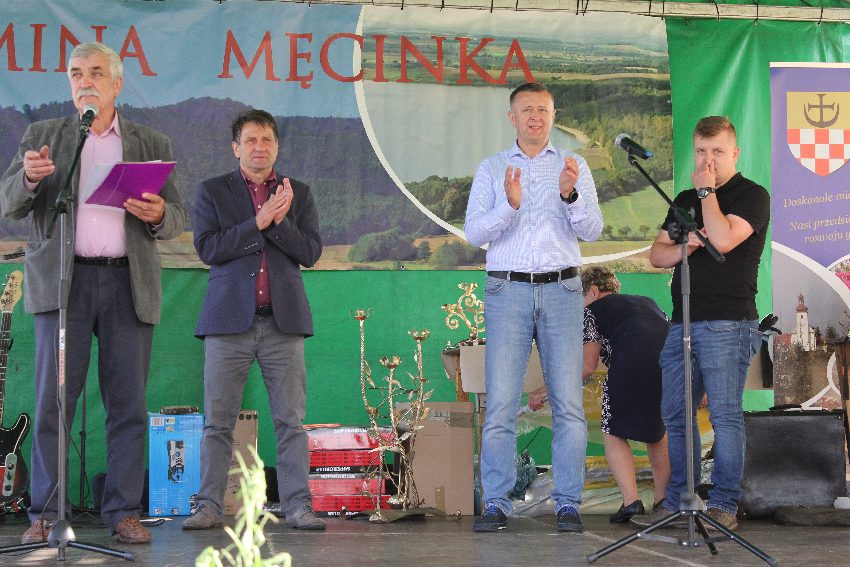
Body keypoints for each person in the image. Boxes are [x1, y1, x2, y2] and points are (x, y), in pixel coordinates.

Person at [0, 42, 186, 544]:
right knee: (53, 401)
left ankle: (122, 511)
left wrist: (159, 215)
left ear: (117, 83)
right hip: (64, 284)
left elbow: (177, 217)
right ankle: (45, 512)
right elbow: (8, 203)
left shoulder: (150, 141)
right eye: (77, 72)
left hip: (127, 283)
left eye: (97, 72)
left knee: (127, 404)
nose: (86, 80)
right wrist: (28, 179)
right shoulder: (44, 137)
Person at [464, 82, 603, 533]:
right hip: (508, 290)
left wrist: (570, 196)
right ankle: (496, 503)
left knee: (568, 404)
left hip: (563, 291)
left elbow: (594, 230)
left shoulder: (573, 165)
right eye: (526, 110)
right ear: (512, 117)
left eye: (543, 109)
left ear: (553, 115)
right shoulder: (492, 168)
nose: (535, 117)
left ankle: (568, 503)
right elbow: (474, 233)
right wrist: (509, 206)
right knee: (502, 403)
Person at [183, 109, 324, 532]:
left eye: (267, 140)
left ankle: (298, 506)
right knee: (218, 423)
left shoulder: (298, 192)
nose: (259, 147)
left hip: (283, 323)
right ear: (236, 148)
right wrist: (258, 222)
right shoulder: (213, 191)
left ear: (276, 146)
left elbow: (310, 253)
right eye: (250, 140)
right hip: (228, 323)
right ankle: (208, 505)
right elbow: (209, 249)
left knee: (291, 423)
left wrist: (278, 223)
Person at [631, 116, 769, 531]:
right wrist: (687, 246)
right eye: (702, 152)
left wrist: (708, 192)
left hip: (729, 322)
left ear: (735, 153)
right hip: (682, 322)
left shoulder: (752, 195)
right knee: (675, 414)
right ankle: (682, 500)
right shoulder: (685, 199)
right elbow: (658, 255)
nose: (708, 161)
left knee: (724, 416)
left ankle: (724, 504)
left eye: (718, 152)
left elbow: (723, 239)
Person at [528, 266, 670, 524]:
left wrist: (545, 390)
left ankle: (631, 502)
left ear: (592, 291)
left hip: (627, 366)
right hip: (667, 369)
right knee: (657, 434)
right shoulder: (649, 303)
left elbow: (587, 366)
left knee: (613, 431)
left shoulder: (590, 312)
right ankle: (664, 502)